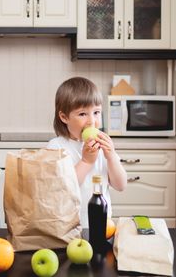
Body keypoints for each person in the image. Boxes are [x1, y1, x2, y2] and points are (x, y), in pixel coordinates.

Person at [47, 77, 126, 228]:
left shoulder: (103, 146)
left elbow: (120, 185)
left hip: (103, 225)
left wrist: (111, 157)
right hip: (68, 227)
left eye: (96, 112)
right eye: (83, 114)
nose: (92, 121)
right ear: (64, 117)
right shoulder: (56, 147)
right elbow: (63, 189)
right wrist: (86, 161)